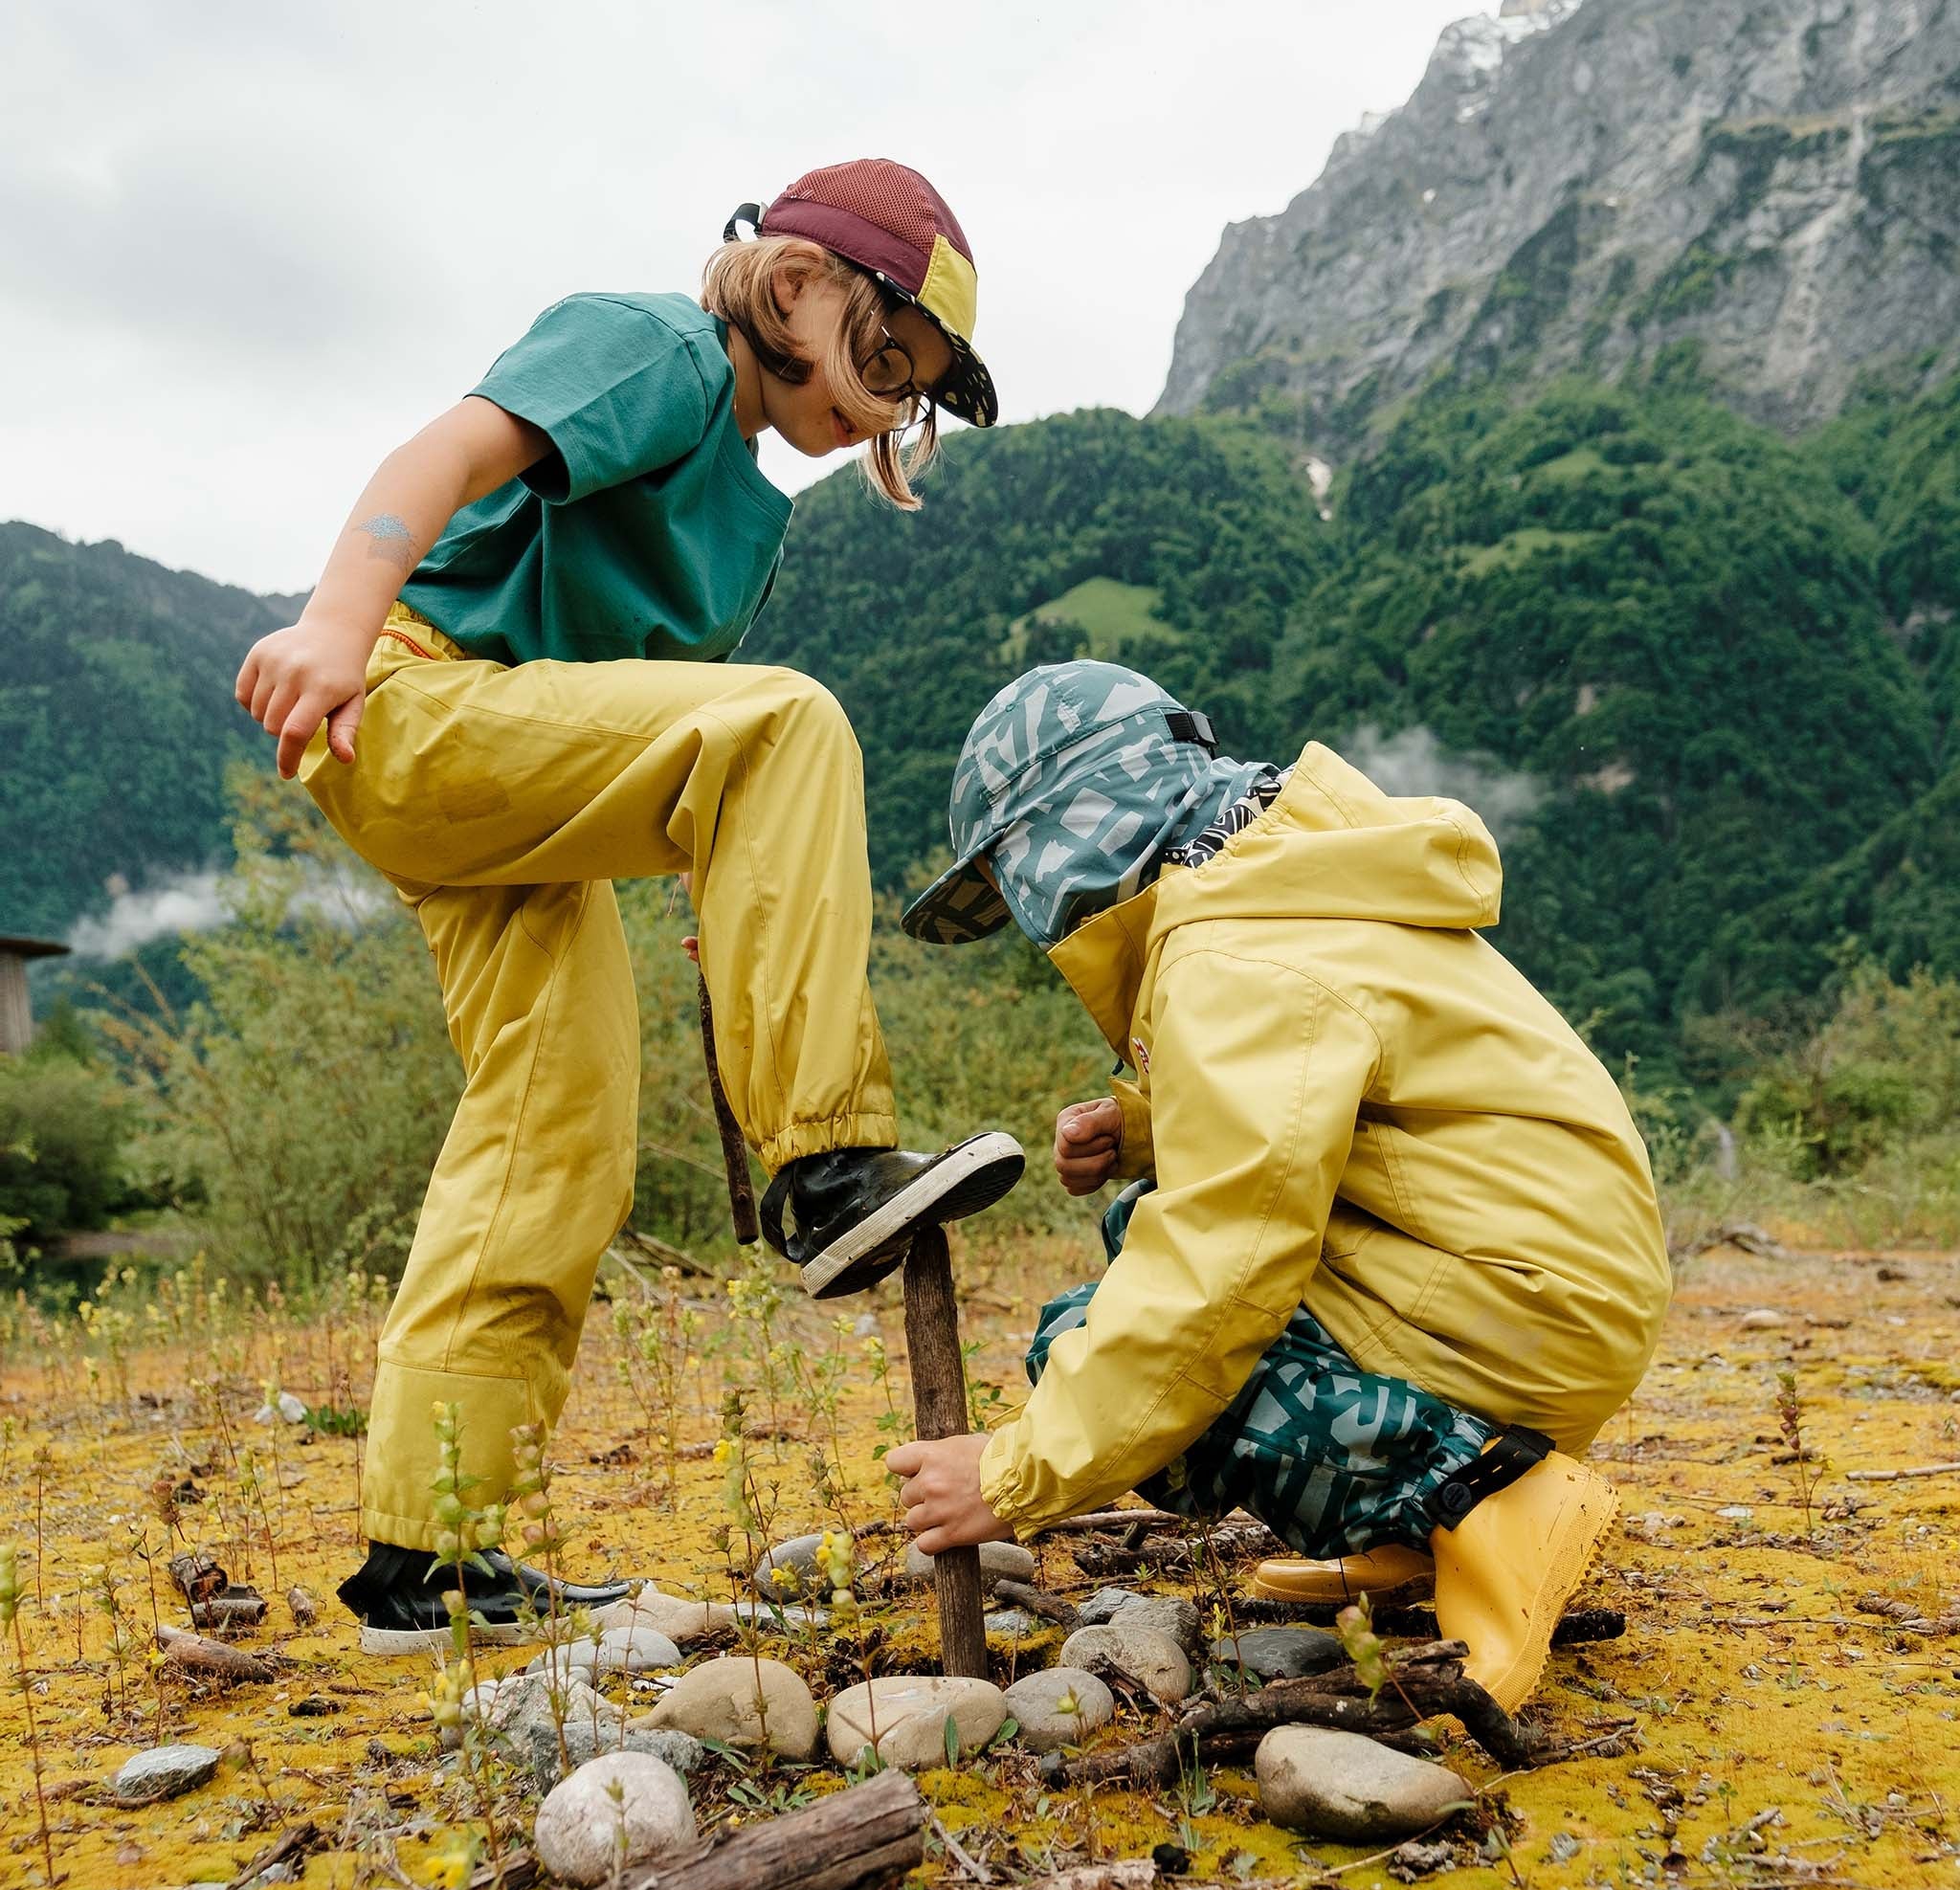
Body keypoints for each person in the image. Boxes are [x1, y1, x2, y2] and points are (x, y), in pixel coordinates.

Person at [233, 160, 1024, 1655]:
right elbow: (444, 454)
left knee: (559, 1121)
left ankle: (430, 1556)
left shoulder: (754, 520)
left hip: (518, 793)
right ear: (793, 287)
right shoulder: (657, 347)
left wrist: (730, 878)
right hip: (407, 697)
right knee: (787, 724)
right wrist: (335, 622)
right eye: (882, 355)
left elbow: (653, 741)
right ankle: (832, 1171)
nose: (883, 406)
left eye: (908, 391)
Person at [885, 661, 1673, 1712]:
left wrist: (1011, 1470)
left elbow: (1216, 1272)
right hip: (1548, 1282)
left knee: (1107, 1332)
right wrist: (1144, 1125)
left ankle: (1493, 1502)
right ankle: (1418, 1533)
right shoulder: (1283, 877)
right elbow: (1346, 1080)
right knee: (1138, 1227)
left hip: (1515, 1308)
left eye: (1021, 871)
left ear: (1077, 835)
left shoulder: (1231, 956)